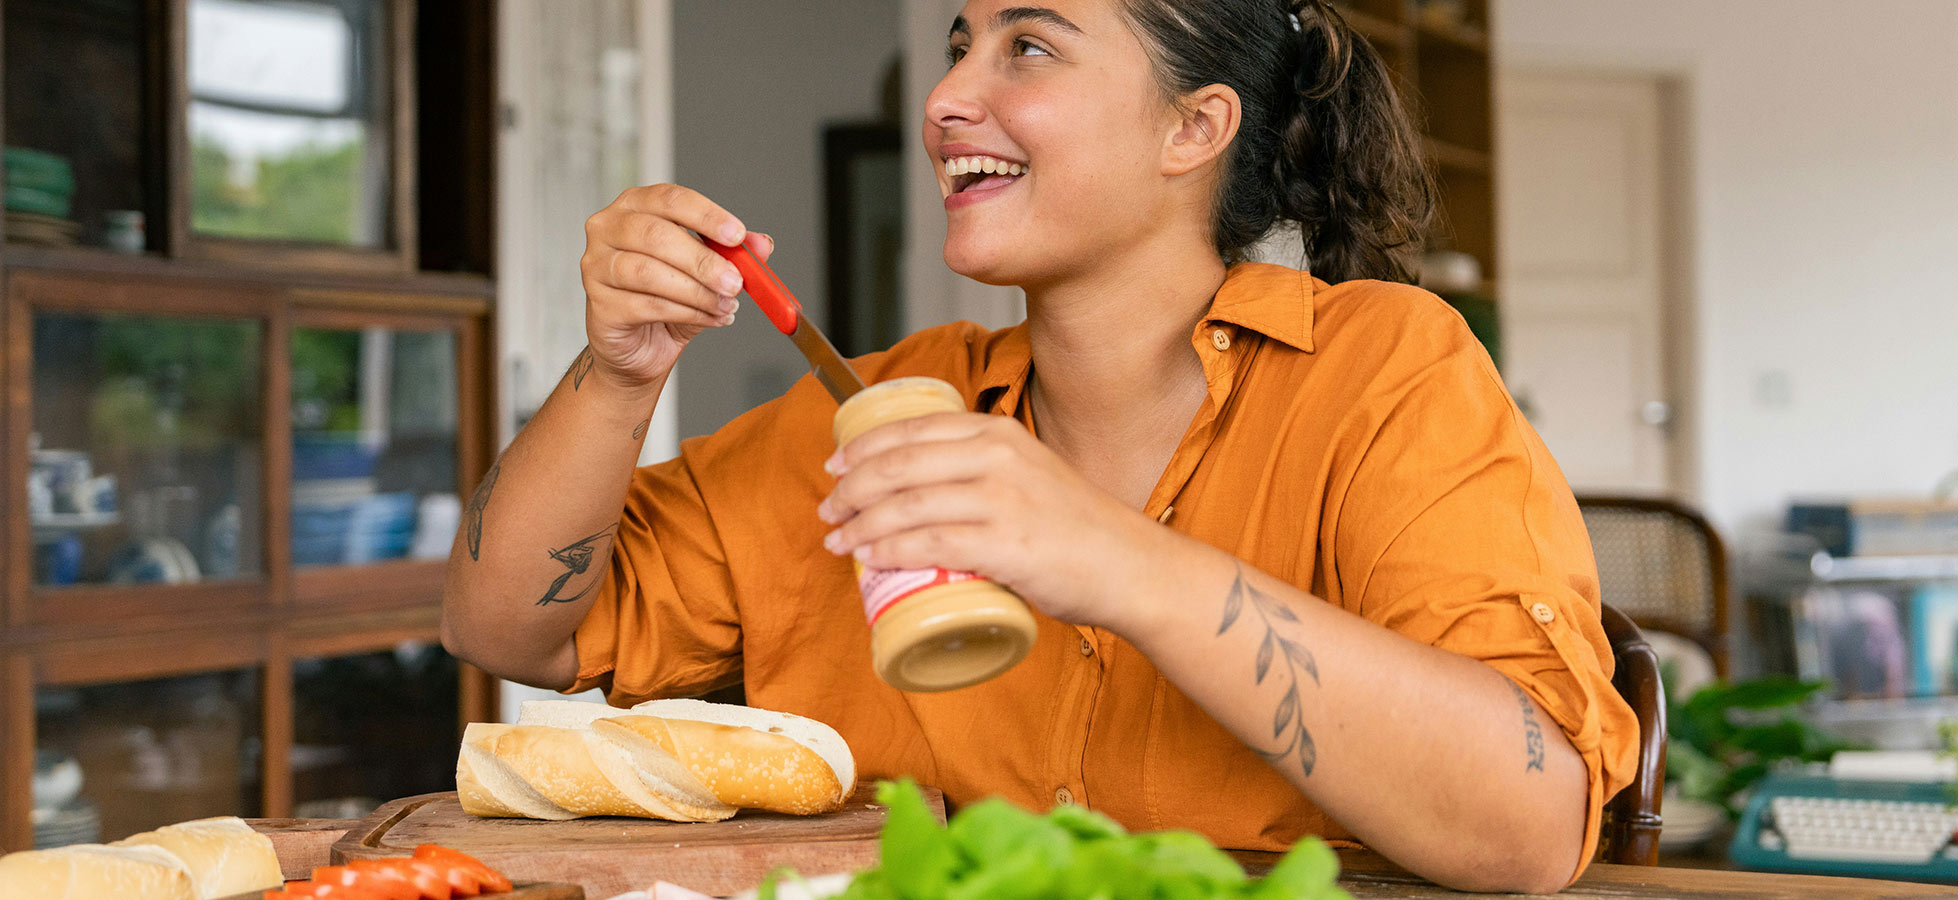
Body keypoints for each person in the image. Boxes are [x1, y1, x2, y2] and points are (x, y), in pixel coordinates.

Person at [441, 0, 1637, 892]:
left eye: (1027, 46)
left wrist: (1112, 559)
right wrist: (620, 373)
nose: (946, 96)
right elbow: (505, 630)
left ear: (1192, 128)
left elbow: (1524, 828)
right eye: (960, 41)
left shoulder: (1382, 369)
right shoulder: (869, 408)